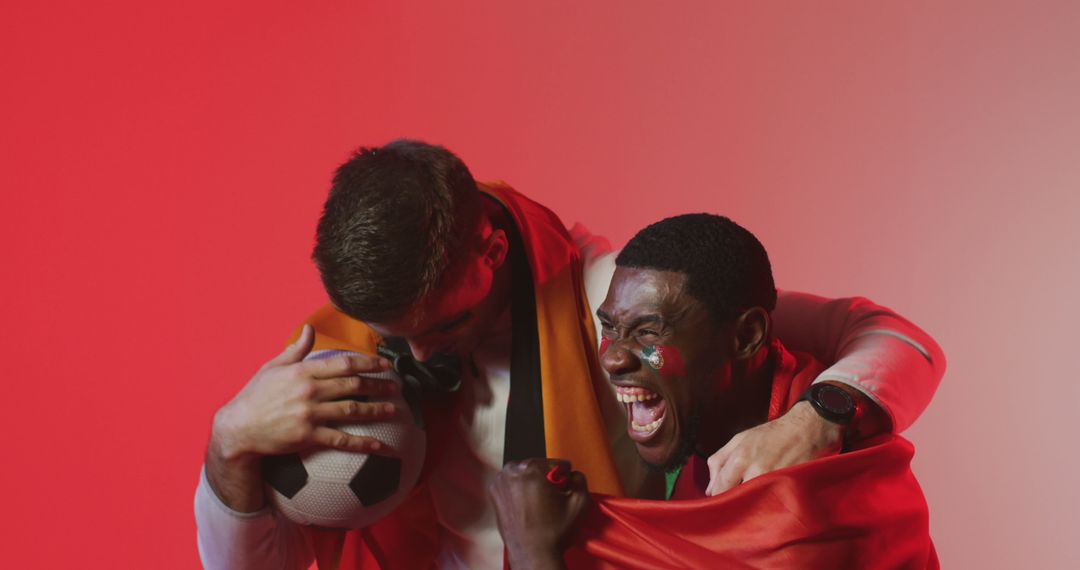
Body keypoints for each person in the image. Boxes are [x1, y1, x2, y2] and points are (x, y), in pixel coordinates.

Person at [194, 140, 945, 569]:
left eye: (440, 327)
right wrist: (229, 449)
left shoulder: (611, 302)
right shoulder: (336, 347)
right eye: (398, 338)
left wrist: (818, 417)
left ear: (490, 250)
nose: (415, 355)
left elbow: (891, 335)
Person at [490, 214, 937, 568]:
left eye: (648, 332)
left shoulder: (805, 520)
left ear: (746, 337)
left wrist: (535, 553)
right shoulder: (727, 395)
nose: (612, 358)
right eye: (609, 327)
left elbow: (896, 337)